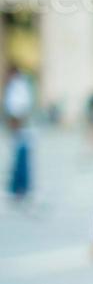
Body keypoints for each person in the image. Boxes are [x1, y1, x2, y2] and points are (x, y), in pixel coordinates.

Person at [4, 65, 34, 206]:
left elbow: (20, 110)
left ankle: (20, 190)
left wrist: (15, 126)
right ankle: (19, 189)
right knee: (19, 161)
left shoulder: (18, 87)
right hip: (19, 130)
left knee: (20, 161)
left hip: (21, 131)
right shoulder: (17, 86)